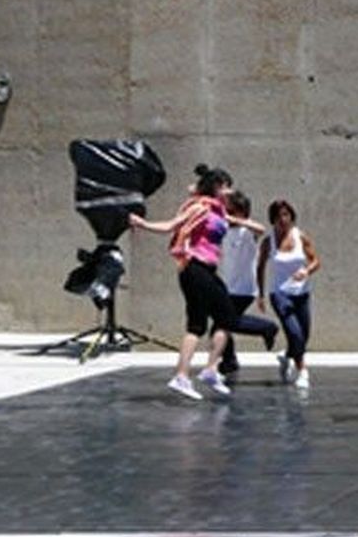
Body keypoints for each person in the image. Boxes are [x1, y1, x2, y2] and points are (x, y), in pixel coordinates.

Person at [128, 164, 241, 400]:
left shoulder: (217, 210)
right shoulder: (200, 207)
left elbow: (227, 213)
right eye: (226, 187)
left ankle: (206, 371)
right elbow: (172, 225)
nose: (230, 191)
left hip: (205, 270)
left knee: (220, 319)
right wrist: (144, 224)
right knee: (205, 322)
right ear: (217, 187)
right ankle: (185, 375)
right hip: (195, 268)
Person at [214, 191, 277, 383]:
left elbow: (261, 229)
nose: (228, 214)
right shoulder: (224, 230)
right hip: (226, 286)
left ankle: (267, 328)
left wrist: (237, 220)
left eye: (233, 211)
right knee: (222, 325)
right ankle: (229, 361)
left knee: (223, 324)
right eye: (227, 211)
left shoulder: (247, 232)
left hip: (243, 289)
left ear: (242, 212)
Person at [258, 198, 319, 390]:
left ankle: (286, 357)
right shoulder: (268, 242)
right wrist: (260, 294)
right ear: (273, 219)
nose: (283, 220)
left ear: (291, 217)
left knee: (303, 335)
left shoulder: (301, 237)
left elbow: (315, 261)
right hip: (280, 294)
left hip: (302, 294)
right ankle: (303, 372)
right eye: (278, 217)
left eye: (286, 215)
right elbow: (260, 267)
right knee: (294, 333)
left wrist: (306, 271)